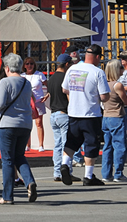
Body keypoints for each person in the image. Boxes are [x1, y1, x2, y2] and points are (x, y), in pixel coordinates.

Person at [59, 44, 111, 186]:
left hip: (74, 112)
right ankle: (88, 176)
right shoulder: (97, 72)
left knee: (72, 141)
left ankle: (65, 164)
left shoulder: (72, 69)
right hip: (90, 114)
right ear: (98, 57)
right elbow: (104, 96)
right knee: (91, 145)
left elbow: (64, 89)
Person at [0, 53, 38, 205]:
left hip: (8, 124)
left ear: (7, 68)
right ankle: (29, 181)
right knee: (19, 156)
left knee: (7, 160)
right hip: (25, 124)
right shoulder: (26, 83)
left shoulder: (5, 82)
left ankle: (7, 196)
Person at [47, 53, 81, 183]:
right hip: (64, 113)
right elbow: (69, 95)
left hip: (54, 114)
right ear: (67, 64)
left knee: (58, 145)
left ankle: (57, 172)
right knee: (66, 145)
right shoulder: (66, 77)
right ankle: (67, 171)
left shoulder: (51, 79)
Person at [101, 59, 127, 183]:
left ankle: (106, 174)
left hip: (106, 116)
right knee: (120, 146)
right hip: (116, 116)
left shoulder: (103, 84)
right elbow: (125, 101)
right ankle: (118, 173)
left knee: (107, 146)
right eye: (120, 68)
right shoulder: (118, 85)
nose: (122, 70)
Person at [22, 57, 48, 151]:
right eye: (27, 64)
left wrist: (48, 94)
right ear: (24, 66)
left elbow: (49, 86)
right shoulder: (22, 76)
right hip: (26, 102)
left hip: (38, 101)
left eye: (31, 64)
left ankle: (41, 145)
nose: (29, 66)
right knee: (27, 123)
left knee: (39, 123)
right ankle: (27, 145)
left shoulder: (39, 75)